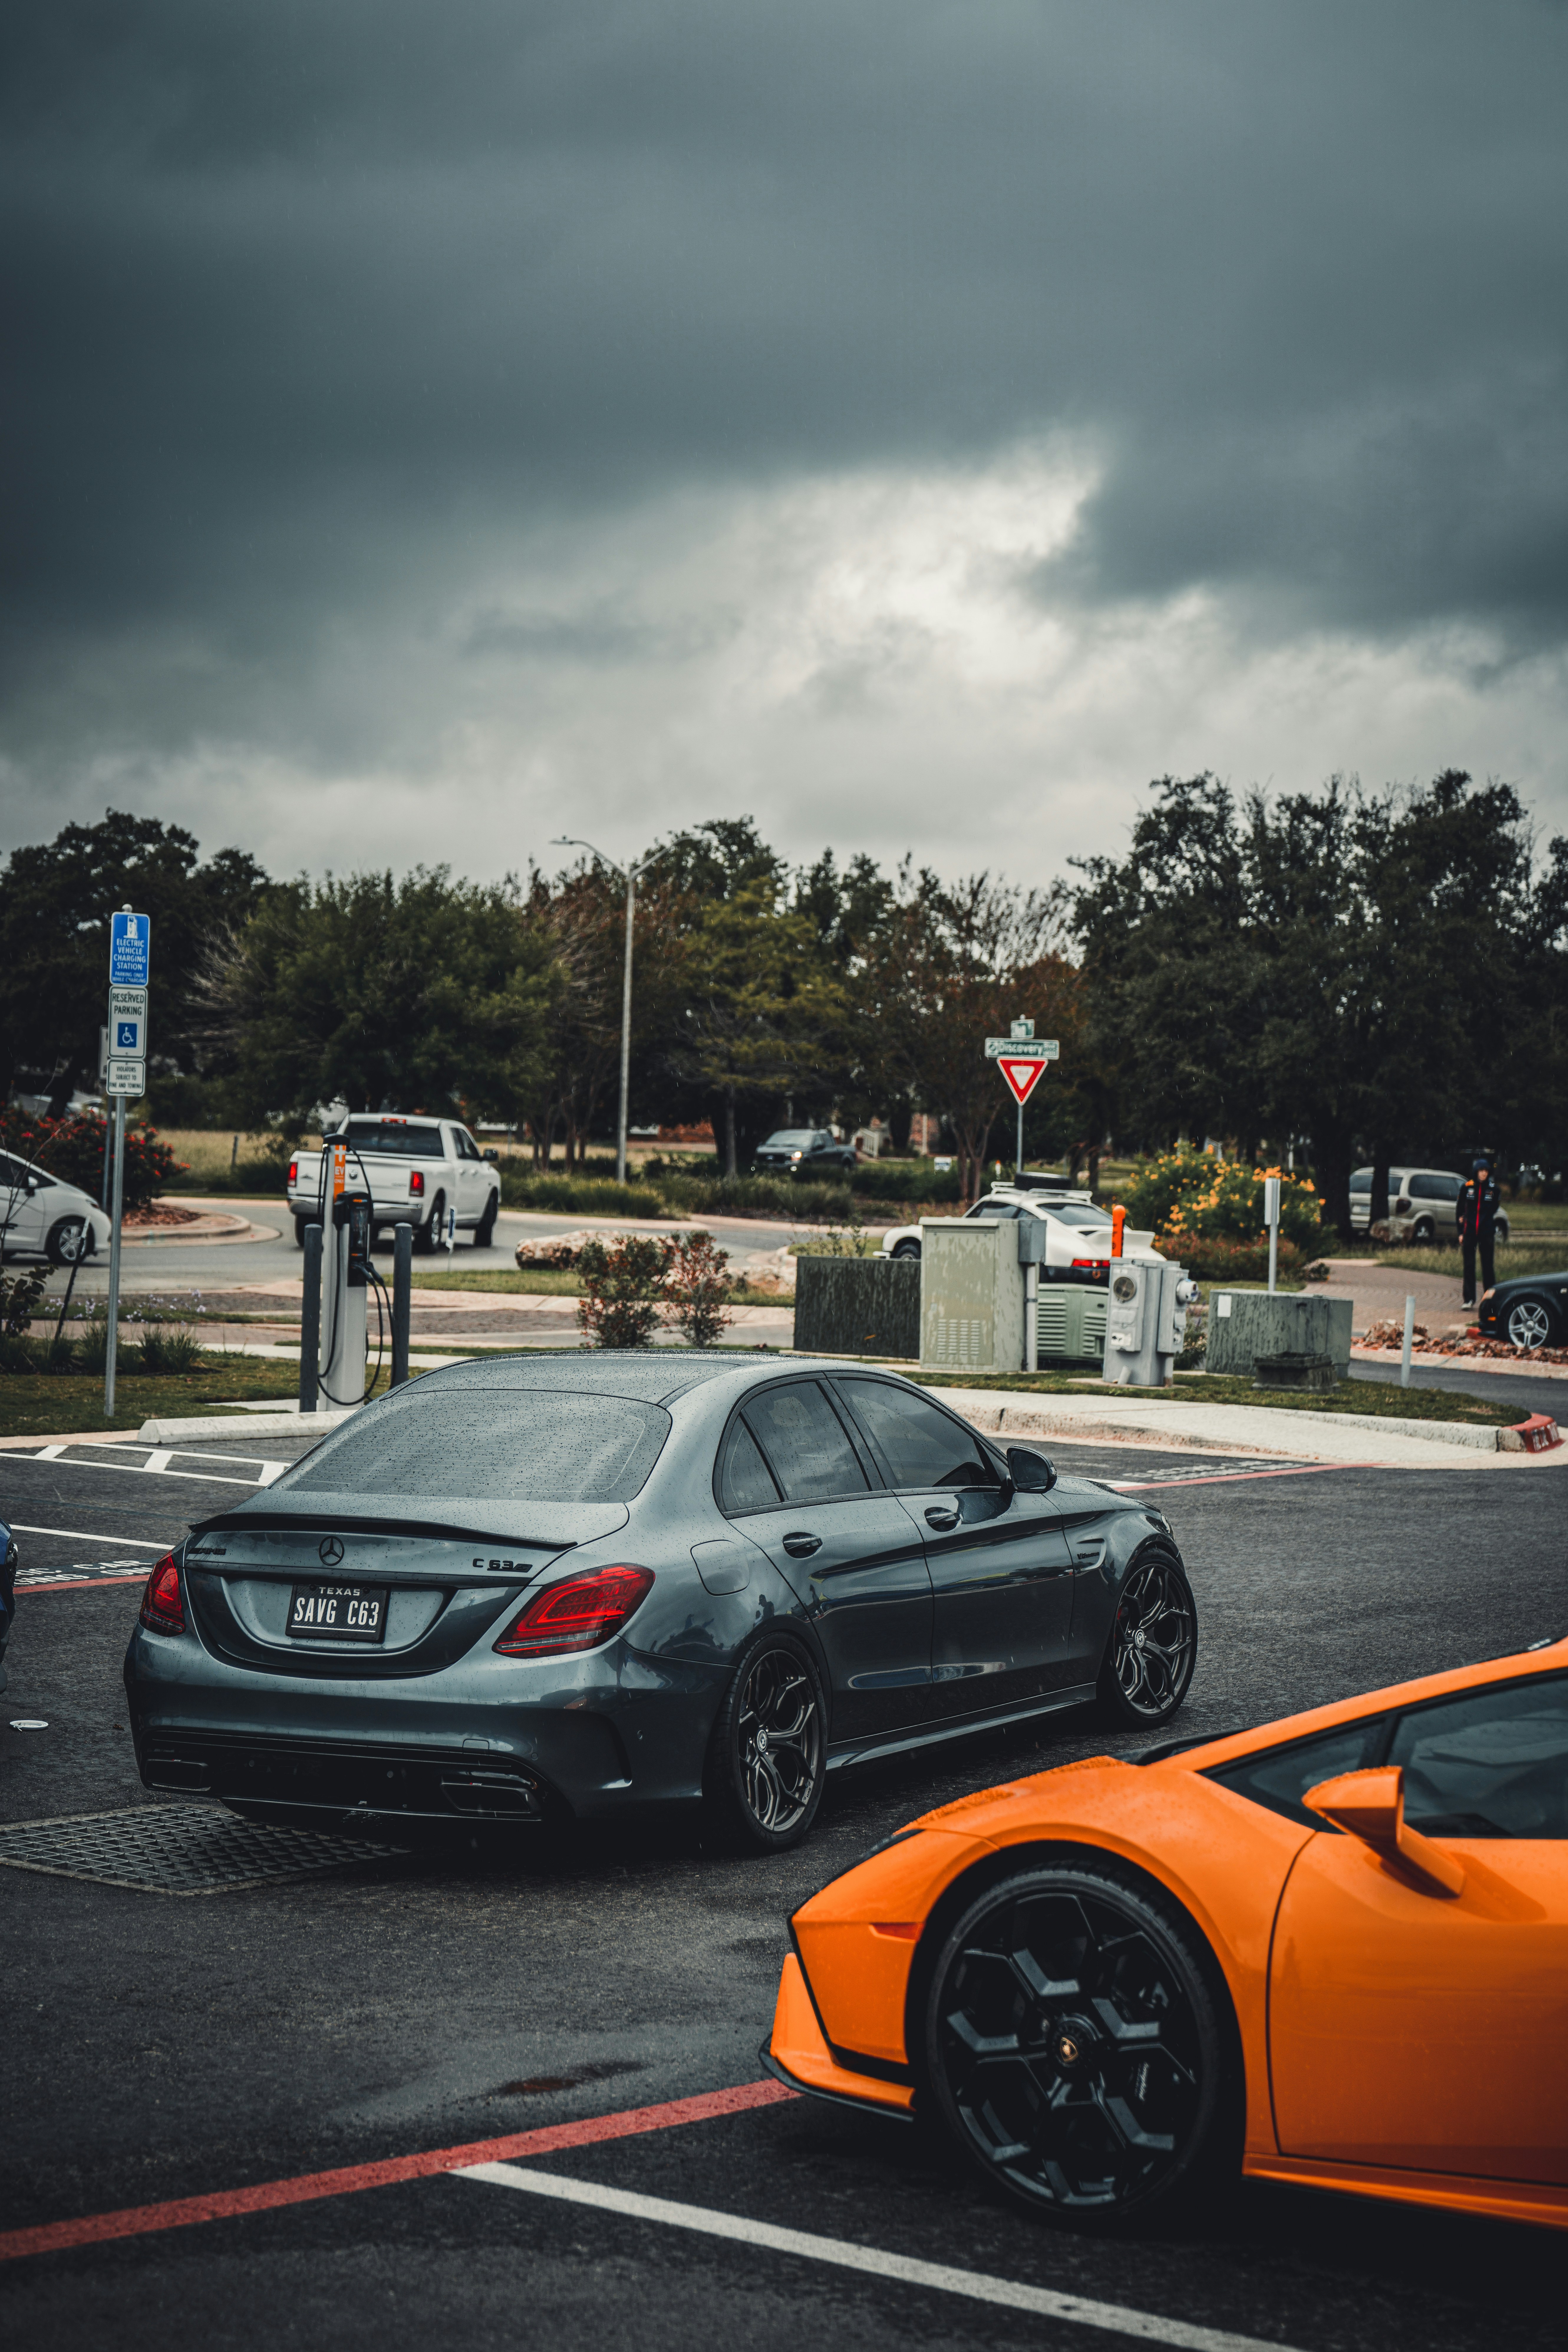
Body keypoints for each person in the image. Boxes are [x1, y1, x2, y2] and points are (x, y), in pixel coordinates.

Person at [1457, 1154, 1500, 1310]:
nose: (1484, 1174)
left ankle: (1489, 1300)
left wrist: (1485, 1223)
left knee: (1488, 1266)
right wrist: (1461, 1232)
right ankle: (1469, 1300)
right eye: (1481, 1171)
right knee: (1469, 1266)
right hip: (1469, 1233)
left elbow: (1494, 1208)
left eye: (1486, 1171)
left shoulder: (1494, 1189)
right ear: (1476, 1172)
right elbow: (1460, 1211)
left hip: (1486, 1233)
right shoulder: (1467, 1188)